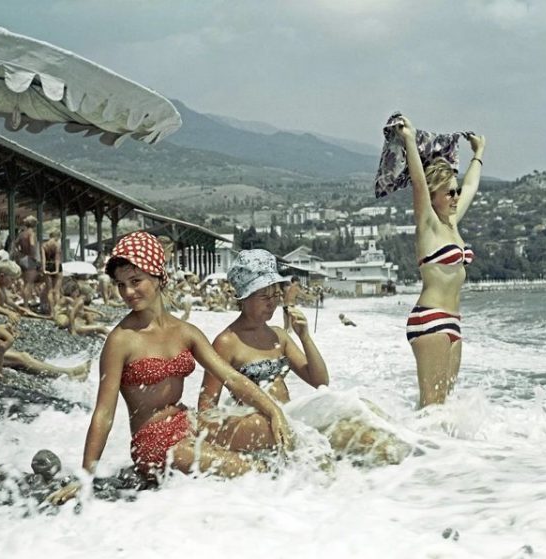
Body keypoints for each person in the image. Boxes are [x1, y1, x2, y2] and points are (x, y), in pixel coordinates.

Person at [48, 232, 292, 505]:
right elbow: (104, 413)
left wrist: (274, 411)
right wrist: (85, 475)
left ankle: (324, 495)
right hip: (153, 443)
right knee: (254, 471)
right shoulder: (121, 340)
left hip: (187, 422)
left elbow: (231, 377)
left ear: (158, 277)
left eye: (135, 281)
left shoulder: (185, 332)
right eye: (121, 284)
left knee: (274, 431)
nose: (128, 292)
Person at [200, 249, 411, 465]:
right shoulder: (227, 342)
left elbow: (319, 380)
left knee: (363, 409)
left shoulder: (278, 336)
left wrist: (305, 337)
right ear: (243, 297)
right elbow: (206, 408)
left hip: (292, 416)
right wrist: (244, 434)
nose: (271, 302)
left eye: (275, 294)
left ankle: (415, 449)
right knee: (365, 439)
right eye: (264, 296)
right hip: (266, 426)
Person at [395, 114, 485, 408]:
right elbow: (419, 184)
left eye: (455, 191)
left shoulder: (452, 223)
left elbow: (470, 187)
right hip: (429, 318)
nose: (456, 196)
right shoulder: (428, 224)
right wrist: (409, 140)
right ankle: (410, 453)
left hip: (453, 321)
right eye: (449, 192)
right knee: (431, 406)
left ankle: (438, 455)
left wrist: (478, 154)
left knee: (444, 405)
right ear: (434, 196)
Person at [0, 291, 90, 379]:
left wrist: (3, 327)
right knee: (21, 357)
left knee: (18, 363)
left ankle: (60, 376)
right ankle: (68, 372)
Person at [15, 215, 40, 306]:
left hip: (22, 258)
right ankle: (26, 305)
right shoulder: (31, 233)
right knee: (29, 284)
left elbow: (14, 244)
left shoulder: (21, 234)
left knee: (25, 283)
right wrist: (34, 257)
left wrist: (19, 253)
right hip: (29, 259)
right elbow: (32, 245)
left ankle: (26, 303)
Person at [41, 229, 63, 316]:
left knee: (49, 291)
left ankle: (51, 312)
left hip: (47, 265)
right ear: (57, 236)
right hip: (56, 266)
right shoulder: (57, 245)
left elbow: (43, 258)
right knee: (56, 291)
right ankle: (57, 311)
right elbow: (57, 258)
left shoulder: (44, 245)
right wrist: (57, 270)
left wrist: (43, 269)